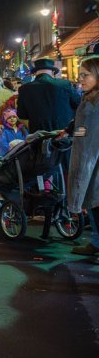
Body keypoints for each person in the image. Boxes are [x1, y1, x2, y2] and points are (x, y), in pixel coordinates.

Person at [67, 56, 99, 257]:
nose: (81, 79)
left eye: (85, 75)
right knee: (94, 204)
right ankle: (96, 243)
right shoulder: (89, 98)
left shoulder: (95, 104)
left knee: (96, 203)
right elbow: (83, 130)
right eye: (80, 75)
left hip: (92, 163)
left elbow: (90, 139)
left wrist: (82, 171)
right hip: (90, 162)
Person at [17, 58, 79, 132]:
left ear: (35, 73)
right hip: (63, 134)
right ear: (53, 72)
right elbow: (78, 104)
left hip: (39, 136)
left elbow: (22, 115)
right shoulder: (65, 84)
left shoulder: (24, 89)